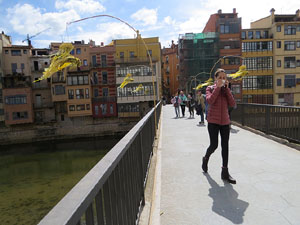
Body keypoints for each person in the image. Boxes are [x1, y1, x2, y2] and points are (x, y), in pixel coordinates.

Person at [202, 68, 236, 184]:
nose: (222, 79)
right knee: (214, 145)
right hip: (213, 122)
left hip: (225, 122)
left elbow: (232, 104)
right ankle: (206, 158)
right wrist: (218, 88)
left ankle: (225, 172)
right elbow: (210, 101)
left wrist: (227, 90)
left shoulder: (226, 90)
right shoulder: (210, 89)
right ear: (215, 79)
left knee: (225, 146)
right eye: (220, 77)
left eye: (224, 78)